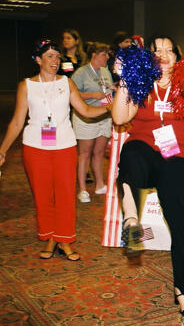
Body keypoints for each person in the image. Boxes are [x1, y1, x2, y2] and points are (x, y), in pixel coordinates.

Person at [111, 36, 184, 317]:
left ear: (178, 57)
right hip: (146, 151)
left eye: (169, 50)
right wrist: (125, 79)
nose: (163, 54)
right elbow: (120, 118)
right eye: (157, 50)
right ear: (149, 56)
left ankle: (182, 289)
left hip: (178, 157)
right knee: (131, 152)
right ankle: (131, 218)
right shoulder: (142, 82)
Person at [0, 39, 108, 261]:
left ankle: (65, 240)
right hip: (35, 147)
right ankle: (51, 237)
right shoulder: (26, 85)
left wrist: (112, 108)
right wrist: (2, 150)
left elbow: (86, 110)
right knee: (43, 196)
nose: (55, 61)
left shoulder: (66, 83)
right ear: (38, 60)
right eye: (50, 56)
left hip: (65, 146)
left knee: (66, 195)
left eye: (57, 56)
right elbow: (17, 122)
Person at [71, 42, 113, 203]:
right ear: (94, 55)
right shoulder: (81, 73)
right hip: (86, 117)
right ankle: (82, 189)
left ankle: (100, 184)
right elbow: (72, 93)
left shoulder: (105, 72)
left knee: (99, 153)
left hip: (104, 116)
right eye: (104, 54)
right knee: (85, 153)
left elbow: (107, 90)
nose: (107, 57)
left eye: (108, 54)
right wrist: (92, 95)